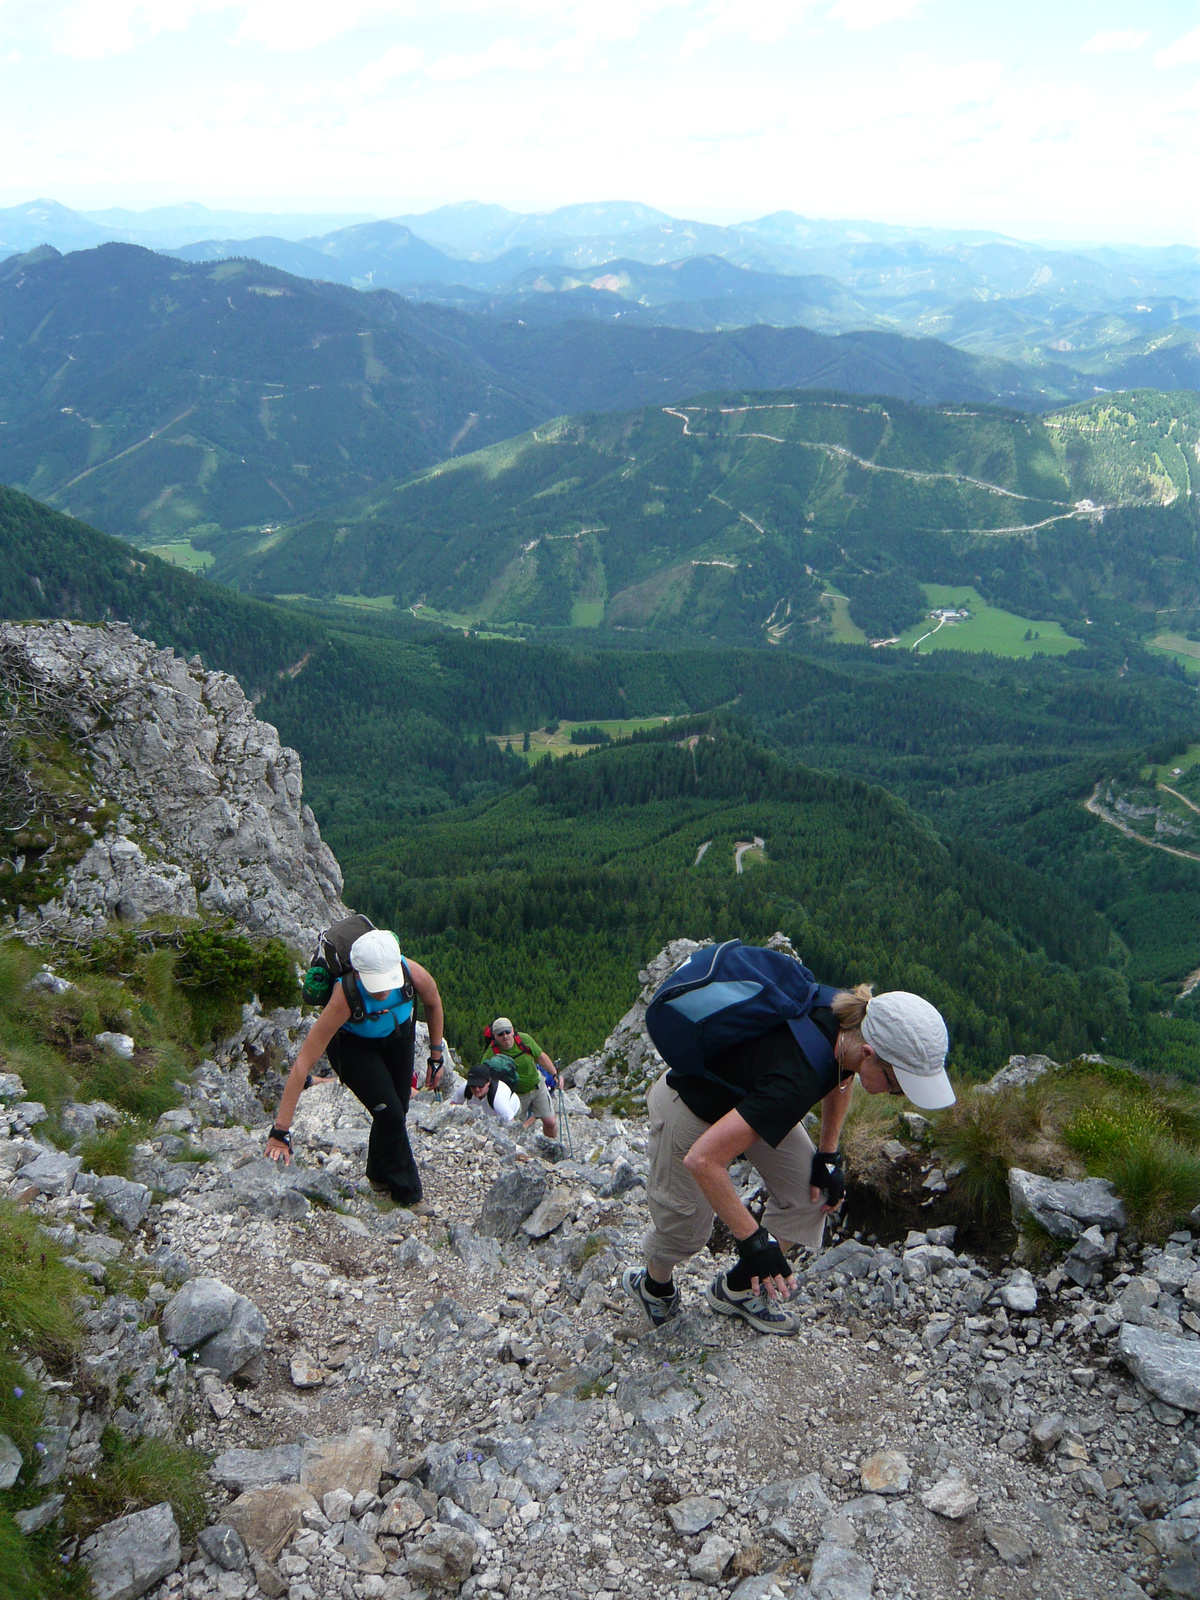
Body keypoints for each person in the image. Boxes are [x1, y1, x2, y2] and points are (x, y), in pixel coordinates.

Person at [623, 982, 954, 1337]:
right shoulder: (797, 1077)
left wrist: (828, 1153)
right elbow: (703, 1161)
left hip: (754, 1101)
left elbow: (841, 1073)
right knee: (685, 1231)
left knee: (809, 1196)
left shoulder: (849, 1027)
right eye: (896, 1084)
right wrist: (753, 1240)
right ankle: (654, 1288)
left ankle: (736, 1290)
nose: (896, 1094)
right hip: (691, 1105)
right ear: (870, 1053)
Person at [266, 929, 446, 1211]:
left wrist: (436, 1056)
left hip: (398, 1037)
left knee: (396, 1109)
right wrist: (280, 1132)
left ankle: (376, 1175)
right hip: (352, 1049)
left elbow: (433, 1003)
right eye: (376, 983)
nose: (383, 991)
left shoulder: (414, 974)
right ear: (359, 974)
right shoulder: (344, 996)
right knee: (391, 1113)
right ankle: (408, 1195)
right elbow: (303, 1063)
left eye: (386, 981)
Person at [482, 1017, 560, 1138]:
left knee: (550, 1122)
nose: (505, 1036)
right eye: (500, 1034)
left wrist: (555, 1074)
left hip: (537, 1086)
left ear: (513, 1031)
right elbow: (483, 1074)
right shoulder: (491, 1053)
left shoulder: (524, 1040)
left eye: (507, 1032)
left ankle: (552, 1146)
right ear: (495, 1036)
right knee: (516, 1129)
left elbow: (541, 1057)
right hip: (516, 1096)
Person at [451, 1060, 521, 1122]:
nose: (476, 1089)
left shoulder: (498, 1100)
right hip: (488, 1112)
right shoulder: (465, 1088)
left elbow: (511, 1122)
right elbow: (452, 1106)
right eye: (473, 1085)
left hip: (512, 1110)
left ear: (488, 1082)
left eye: (480, 1085)